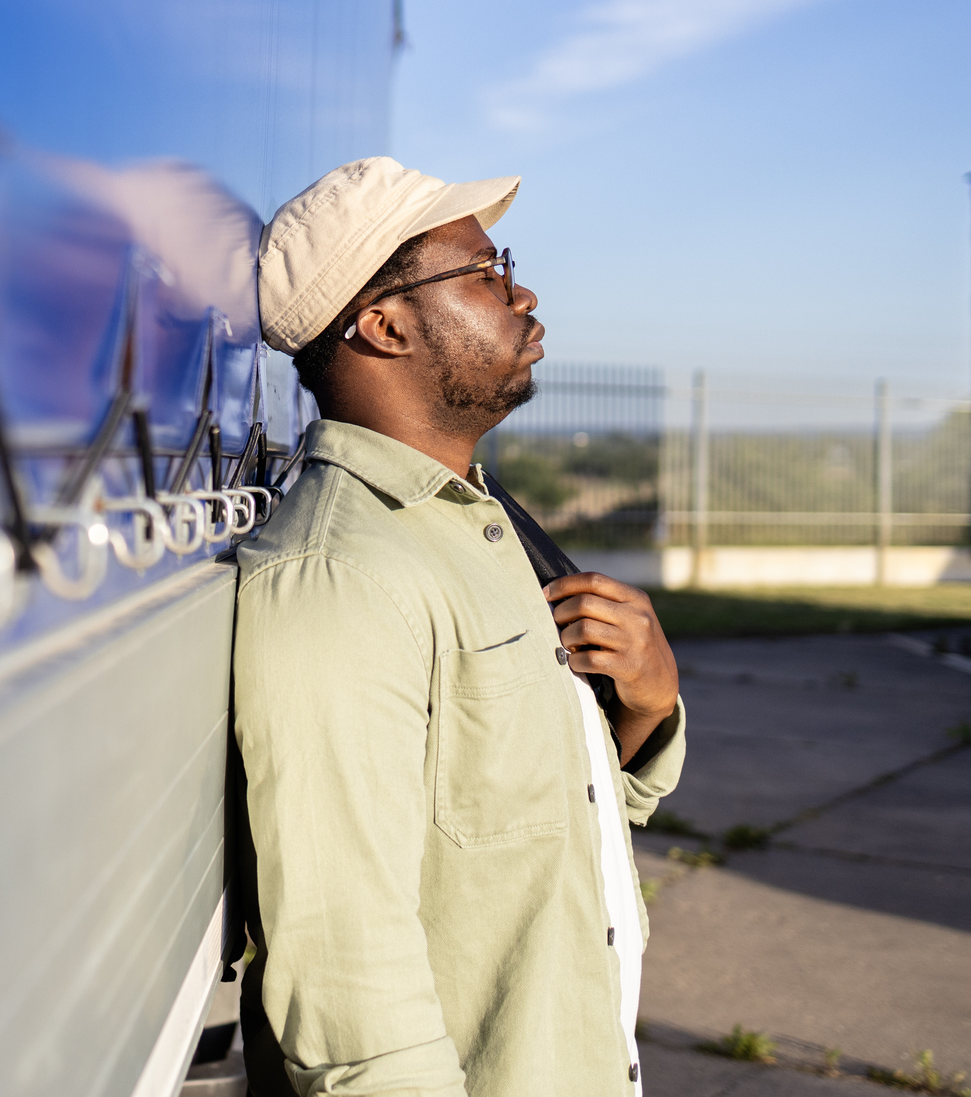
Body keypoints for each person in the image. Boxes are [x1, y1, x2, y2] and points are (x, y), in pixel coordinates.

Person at [232, 157, 685, 1096]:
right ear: (383, 325)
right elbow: (346, 975)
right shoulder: (340, 577)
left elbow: (543, 826)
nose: (521, 293)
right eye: (483, 271)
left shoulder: (480, 525)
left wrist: (646, 708)